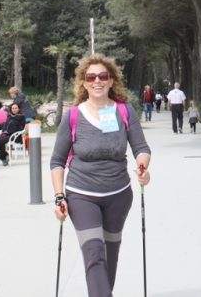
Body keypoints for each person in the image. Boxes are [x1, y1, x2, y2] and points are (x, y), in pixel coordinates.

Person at [50, 54, 151, 297]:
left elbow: (141, 148)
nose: (97, 81)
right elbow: (57, 161)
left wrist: (143, 167)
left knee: (110, 254)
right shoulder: (73, 116)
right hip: (82, 194)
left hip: (118, 194)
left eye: (103, 76)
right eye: (91, 77)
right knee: (94, 252)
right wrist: (59, 196)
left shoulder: (124, 111)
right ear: (83, 83)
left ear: (111, 81)